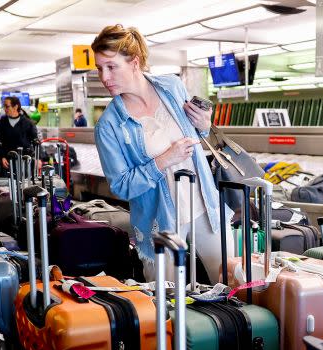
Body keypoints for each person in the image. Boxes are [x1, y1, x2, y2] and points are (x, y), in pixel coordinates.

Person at [92, 24, 230, 282]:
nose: (104, 76)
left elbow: (196, 137)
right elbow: (121, 186)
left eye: (111, 67)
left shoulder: (172, 87)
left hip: (204, 205)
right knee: (165, 303)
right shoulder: (109, 125)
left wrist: (204, 125)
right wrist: (164, 160)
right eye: (100, 68)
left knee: (229, 283)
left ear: (134, 63)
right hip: (160, 220)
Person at [0, 95, 40, 177]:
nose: (5, 109)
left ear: (15, 107)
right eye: (4, 106)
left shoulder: (28, 123)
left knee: (25, 185)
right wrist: (1, 157)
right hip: (8, 161)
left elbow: (35, 141)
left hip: (25, 161)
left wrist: (38, 158)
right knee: (8, 186)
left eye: (7, 107)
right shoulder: (1, 123)